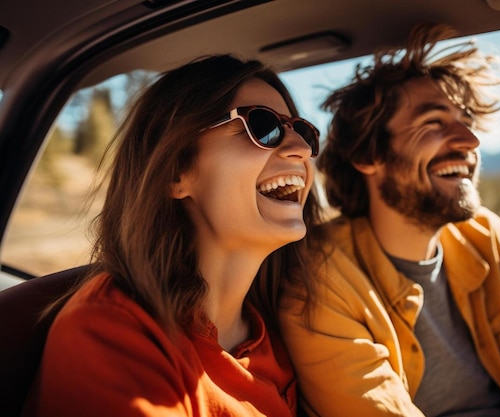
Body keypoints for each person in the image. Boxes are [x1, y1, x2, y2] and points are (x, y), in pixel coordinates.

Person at [278, 23, 500, 417]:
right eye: (433, 123)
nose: (470, 141)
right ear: (369, 156)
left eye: (466, 122)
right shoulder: (321, 276)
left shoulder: (488, 237)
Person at [22, 54, 324, 416]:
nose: (302, 149)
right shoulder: (113, 334)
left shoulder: (286, 330)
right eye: (262, 126)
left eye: (302, 131)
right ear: (176, 172)